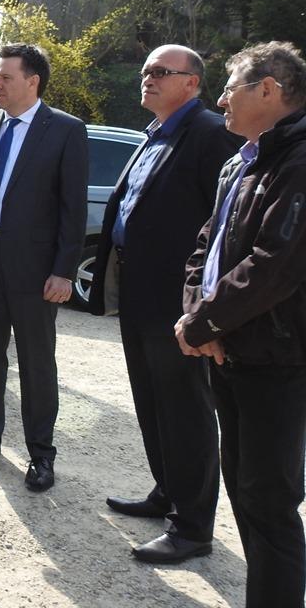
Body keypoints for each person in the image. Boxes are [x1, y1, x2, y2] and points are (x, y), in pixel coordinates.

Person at [88, 45, 238, 564]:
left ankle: (193, 527)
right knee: (151, 400)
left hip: (178, 297)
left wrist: (206, 305)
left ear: (192, 83)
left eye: (160, 72)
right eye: (146, 71)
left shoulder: (211, 134)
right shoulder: (154, 133)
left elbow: (225, 227)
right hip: (138, 289)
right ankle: (167, 491)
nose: (147, 78)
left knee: (185, 409)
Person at [176, 41, 306, 608]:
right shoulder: (243, 161)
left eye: (231, 88)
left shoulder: (297, 163)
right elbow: (206, 248)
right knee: (245, 491)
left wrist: (203, 324)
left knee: (269, 500)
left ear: (269, 90)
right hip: (230, 350)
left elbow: (276, 267)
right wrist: (197, 318)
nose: (222, 100)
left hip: (277, 359)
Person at [0, 43, 87, 492]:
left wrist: (64, 270)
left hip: (35, 269)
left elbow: (73, 207)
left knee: (36, 362)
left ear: (32, 81)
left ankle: (41, 453)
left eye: (5, 77)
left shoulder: (65, 130)